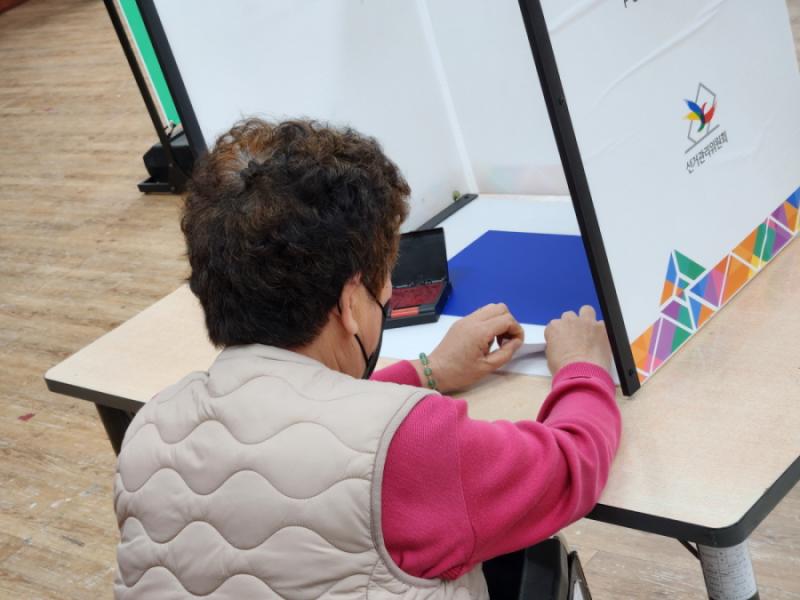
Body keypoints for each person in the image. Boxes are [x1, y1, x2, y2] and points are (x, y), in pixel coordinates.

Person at [112, 119, 620, 599]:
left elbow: (298, 429)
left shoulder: (149, 428)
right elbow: (569, 466)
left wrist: (427, 371)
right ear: (351, 303)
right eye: (384, 286)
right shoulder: (414, 447)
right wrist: (583, 366)